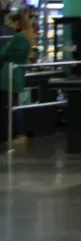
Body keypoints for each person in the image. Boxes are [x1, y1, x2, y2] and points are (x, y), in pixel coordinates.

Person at [0, 12, 34, 143]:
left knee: (13, 105)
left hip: (9, 75)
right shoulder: (26, 37)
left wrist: (5, 50)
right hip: (18, 73)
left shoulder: (17, 37)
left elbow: (3, 53)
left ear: (18, 23)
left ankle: (20, 134)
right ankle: (18, 133)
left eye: (12, 22)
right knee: (14, 104)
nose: (11, 25)